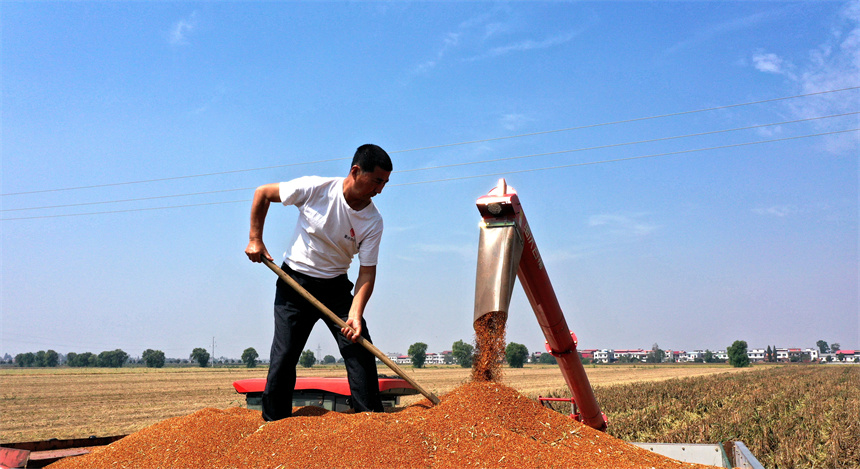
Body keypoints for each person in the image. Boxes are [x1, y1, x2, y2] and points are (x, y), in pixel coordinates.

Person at [245, 143, 392, 421]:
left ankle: (371, 422)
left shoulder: (373, 221)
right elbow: (262, 193)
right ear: (356, 171)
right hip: (294, 283)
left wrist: (355, 315)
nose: (380, 190)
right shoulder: (316, 189)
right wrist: (255, 238)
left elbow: (367, 272)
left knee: (358, 347)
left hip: (335, 287)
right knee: (285, 354)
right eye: (376, 181)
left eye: (384, 183)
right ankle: (274, 422)